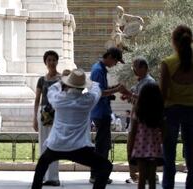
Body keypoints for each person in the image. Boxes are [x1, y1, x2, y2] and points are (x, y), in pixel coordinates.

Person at [32, 69, 112, 189]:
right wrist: (87, 81)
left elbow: (52, 89)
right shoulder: (88, 100)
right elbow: (97, 88)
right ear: (82, 86)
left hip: (56, 145)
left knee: (42, 164)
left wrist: (62, 82)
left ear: (68, 84)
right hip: (79, 148)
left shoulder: (58, 99)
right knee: (106, 167)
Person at [160, 25, 193, 189]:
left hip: (171, 112)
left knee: (168, 157)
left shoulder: (167, 63)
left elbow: (163, 95)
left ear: (174, 42)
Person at [89, 47, 128, 184]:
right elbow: (99, 93)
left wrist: (114, 87)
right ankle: (98, 175)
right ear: (110, 56)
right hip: (100, 112)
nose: (115, 64)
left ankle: (97, 174)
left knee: (102, 144)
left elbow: (103, 90)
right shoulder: (98, 70)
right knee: (102, 146)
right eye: (116, 61)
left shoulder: (98, 68)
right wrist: (116, 89)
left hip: (101, 111)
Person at [121, 57, 156, 184]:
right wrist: (129, 96)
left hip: (144, 122)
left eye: (136, 67)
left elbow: (147, 100)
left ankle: (142, 175)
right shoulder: (140, 82)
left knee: (140, 148)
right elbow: (136, 99)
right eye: (134, 67)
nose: (134, 70)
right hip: (136, 119)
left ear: (144, 68)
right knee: (133, 147)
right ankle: (138, 174)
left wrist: (130, 94)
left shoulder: (150, 83)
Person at [32, 50, 61, 186]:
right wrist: (34, 117)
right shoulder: (41, 80)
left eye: (54, 60)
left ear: (57, 61)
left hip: (57, 114)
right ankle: (43, 176)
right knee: (44, 145)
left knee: (54, 145)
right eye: (49, 60)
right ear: (45, 62)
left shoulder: (62, 79)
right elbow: (37, 99)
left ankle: (54, 177)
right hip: (44, 114)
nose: (51, 62)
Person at [127, 83, 164, 189]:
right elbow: (164, 130)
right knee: (152, 177)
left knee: (142, 177)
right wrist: (162, 141)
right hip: (154, 148)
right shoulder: (159, 113)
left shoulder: (138, 113)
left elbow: (133, 133)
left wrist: (130, 150)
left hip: (140, 149)